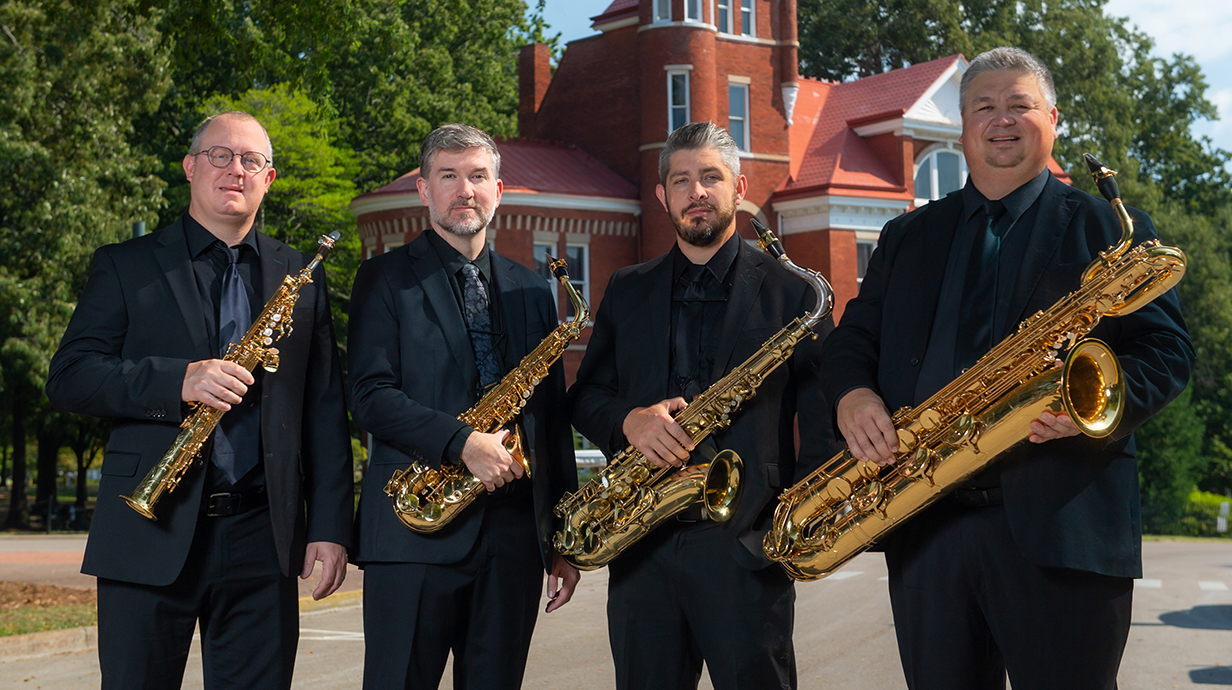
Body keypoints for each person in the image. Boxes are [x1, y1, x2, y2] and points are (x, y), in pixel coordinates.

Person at [821, 47, 1194, 690]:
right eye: (983, 107)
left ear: (1052, 118)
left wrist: (1093, 411)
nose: (1002, 120)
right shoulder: (907, 236)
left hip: (1065, 529)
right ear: (962, 126)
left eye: (1020, 105)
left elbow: (1169, 351)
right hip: (928, 523)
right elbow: (854, 337)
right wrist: (853, 394)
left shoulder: (1106, 225)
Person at [45, 111, 354, 689]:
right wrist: (177, 381)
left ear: (269, 179)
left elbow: (323, 410)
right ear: (191, 168)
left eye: (251, 160)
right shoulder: (126, 264)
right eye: (220, 155)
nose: (235, 170)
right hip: (147, 530)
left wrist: (331, 526)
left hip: (264, 538)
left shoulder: (299, 274)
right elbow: (69, 376)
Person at [568, 122, 833, 690]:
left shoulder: (794, 293)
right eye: (681, 180)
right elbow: (585, 397)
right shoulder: (627, 288)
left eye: (711, 177)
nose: (697, 192)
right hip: (641, 543)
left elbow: (822, 416)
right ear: (662, 195)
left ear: (739, 188)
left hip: (746, 543)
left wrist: (793, 525)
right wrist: (629, 420)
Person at [348, 123, 581, 690]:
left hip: (511, 543)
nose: (465, 190)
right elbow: (369, 398)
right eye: (448, 176)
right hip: (412, 533)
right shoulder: (383, 279)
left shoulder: (532, 290)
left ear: (498, 191)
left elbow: (550, 422)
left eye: (478, 176)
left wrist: (563, 538)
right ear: (425, 191)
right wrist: (461, 443)